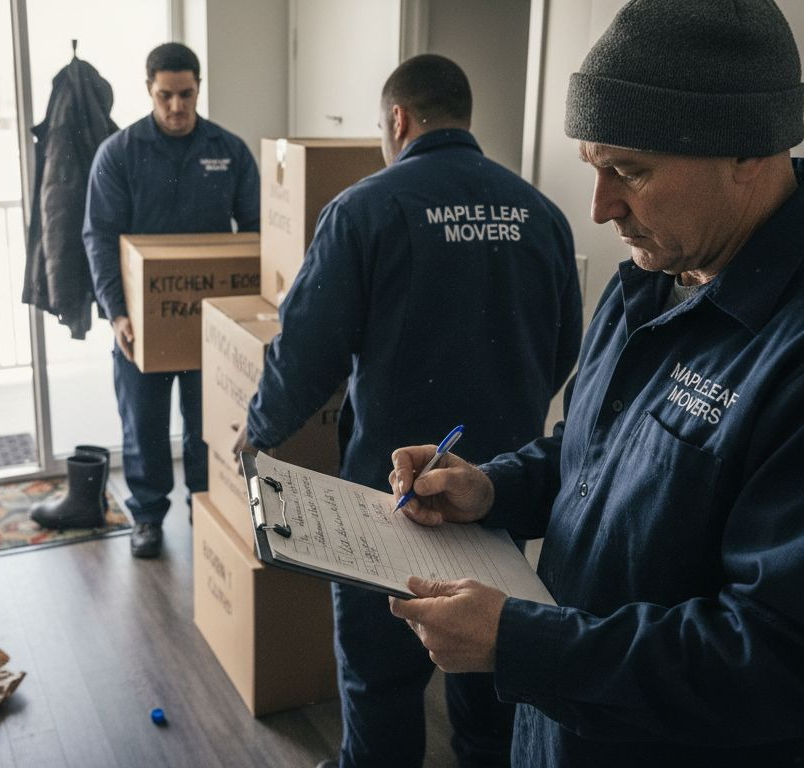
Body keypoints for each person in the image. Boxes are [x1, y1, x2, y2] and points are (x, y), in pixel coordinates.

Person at [386, 2, 804, 767]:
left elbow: (789, 661)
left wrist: (520, 640)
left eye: (629, 171)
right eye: (595, 166)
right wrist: (491, 488)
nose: (601, 207)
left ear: (748, 152)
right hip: (563, 736)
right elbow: (594, 455)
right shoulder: (652, 279)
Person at [238, 55, 583, 768]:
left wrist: (258, 433)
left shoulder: (365, 209)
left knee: (379, 685)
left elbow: (307, 351)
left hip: (389, 503)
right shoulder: (541, 215)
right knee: (490, 687)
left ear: (398, 120)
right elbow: (563, 351)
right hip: (497, 497)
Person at [84, 43, 259, 558]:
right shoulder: (119, 152)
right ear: (149, 90)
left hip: (213, 324)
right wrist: (116, 312)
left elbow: (254, 231)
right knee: (144, 424)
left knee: (209, 425)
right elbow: (100, 236)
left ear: (198, 88)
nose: (177, 107)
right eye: (166, 96)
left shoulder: (228, 151)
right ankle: (147, 516)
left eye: (186, 94)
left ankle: (204, 508)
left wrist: (247, 315)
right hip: (142, 321)